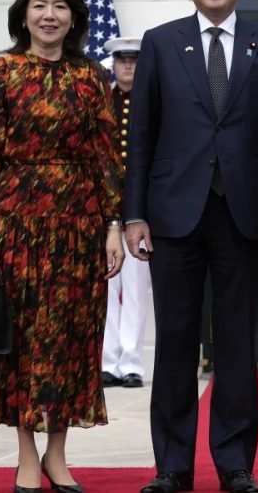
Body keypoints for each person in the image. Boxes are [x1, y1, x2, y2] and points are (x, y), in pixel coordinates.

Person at [124, 0, 258, 493]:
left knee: (237, 344)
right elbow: (141, 136)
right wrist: (133, 214)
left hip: (244, 215)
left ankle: (235, 464)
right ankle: (172, 466)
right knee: (175, 341)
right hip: (173, 215)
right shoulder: (160, 43)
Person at [0, 0, 126, 493]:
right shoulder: (1, 72)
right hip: (18, 227)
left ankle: (58, 455)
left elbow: (106, 156)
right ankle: (27, 456)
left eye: (59, 6)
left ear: (74, 16)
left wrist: (113, 224)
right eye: (39, 6)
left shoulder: (91, 76)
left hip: (80, 226)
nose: (49, 16)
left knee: (72, 340)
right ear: (23, 15)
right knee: (24, 344)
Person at [100, 36, 152, 390]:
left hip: (140, 209)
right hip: (106, 208)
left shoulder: (150, 101)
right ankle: (107, 361)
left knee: (135, 288)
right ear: (114, 65)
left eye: (133, 61)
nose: (128, 66)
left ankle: (131, 362)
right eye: (122, 61)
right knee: (106, 287)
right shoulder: (103, 101)